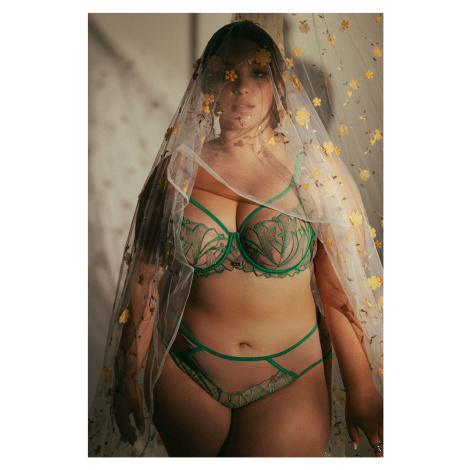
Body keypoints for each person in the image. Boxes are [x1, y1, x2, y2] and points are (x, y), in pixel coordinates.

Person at [89, 15, 383, 458]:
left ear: (279, 86)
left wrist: (361, 388)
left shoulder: (315, 172)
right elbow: (145, 278)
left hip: (289, 378)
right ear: (207, 86)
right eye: (226, 74)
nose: (241, 87)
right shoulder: (177, 171)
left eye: (257, 73)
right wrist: (129, 373)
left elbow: (338, 286)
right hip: (183, 372)